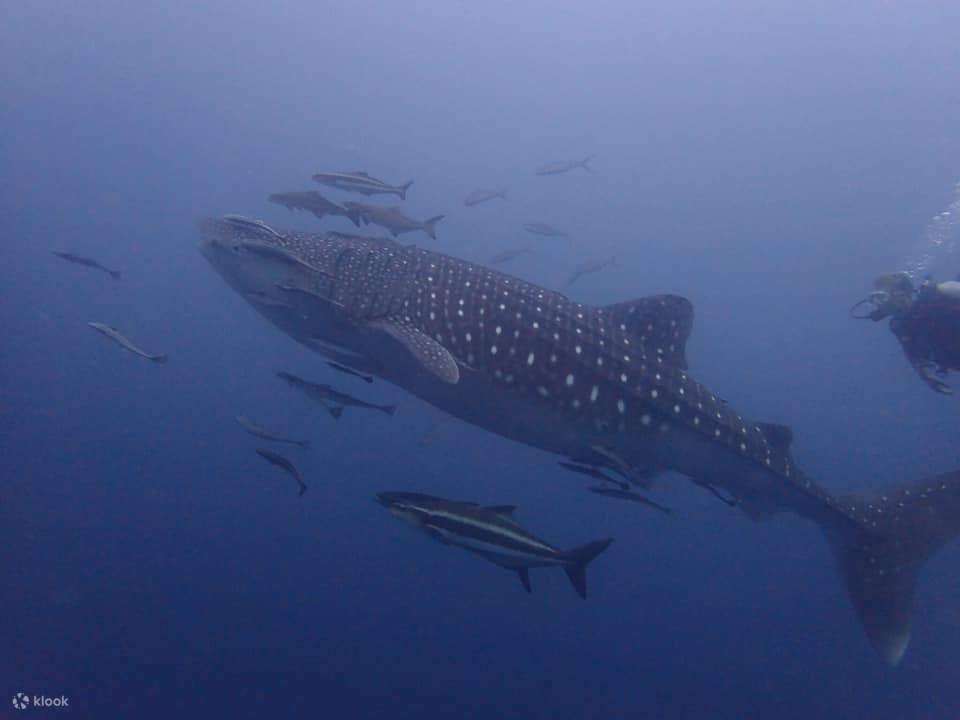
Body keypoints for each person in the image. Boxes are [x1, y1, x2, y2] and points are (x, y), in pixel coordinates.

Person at [852, 272, 960, 394]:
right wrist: (926, 375)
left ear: (900, 292)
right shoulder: (899, 325)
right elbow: (913, 355)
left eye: (881, 297)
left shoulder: (935, 294)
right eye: (875, 300)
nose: (880, 305)